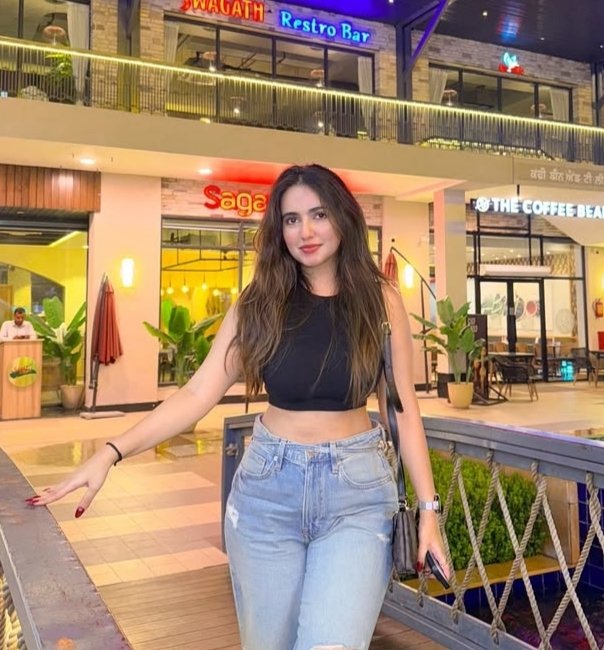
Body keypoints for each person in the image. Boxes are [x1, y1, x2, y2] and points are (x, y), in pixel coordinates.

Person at [27, 164, 449, 650]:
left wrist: (429, 510)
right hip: (269, 492)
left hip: (357, 496)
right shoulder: (259, 304)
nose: (306, 232)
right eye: (291, 219)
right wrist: (110, 452)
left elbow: (402, 408)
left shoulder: (381, 300)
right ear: (278, 230)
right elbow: (195, 394)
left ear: (344, 218)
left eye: (318, 214)